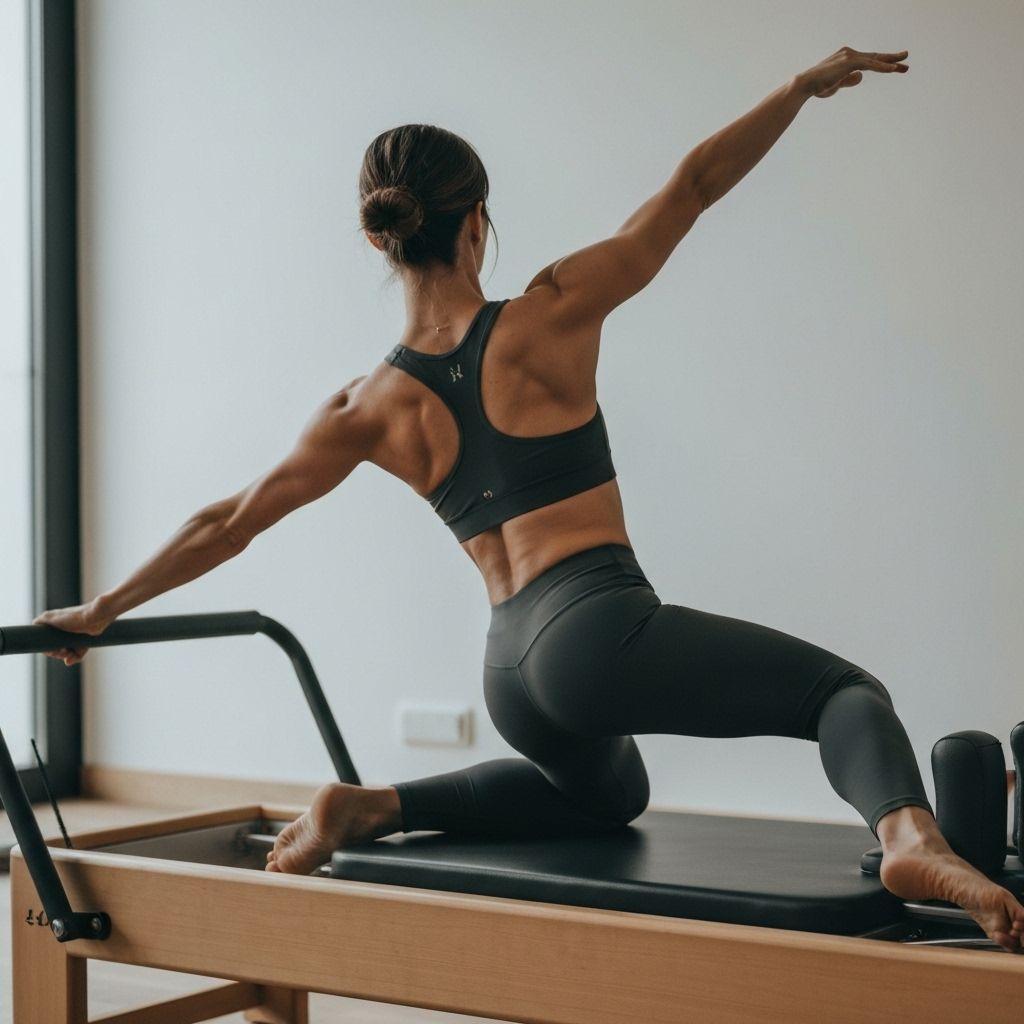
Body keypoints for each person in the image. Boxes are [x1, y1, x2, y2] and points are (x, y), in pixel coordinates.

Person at [37, 46, 1024, 952]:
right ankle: (906, 834)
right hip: (596, 627)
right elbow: (691, 186)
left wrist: (104, 608)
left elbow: (231, 518)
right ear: (477, 222)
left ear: (387, 240)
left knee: (603, 795)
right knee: (841, 693)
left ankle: (368, 804)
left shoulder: (363, 406)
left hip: (511, 665)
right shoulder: (554, 309)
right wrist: (799, 91)